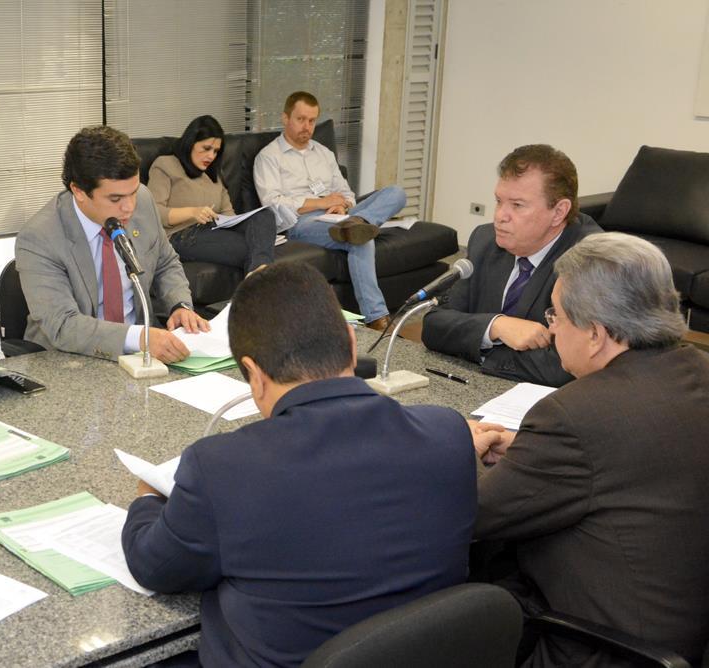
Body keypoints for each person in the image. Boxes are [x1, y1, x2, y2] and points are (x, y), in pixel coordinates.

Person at [121, 262, 476, 667]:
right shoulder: (449, 434)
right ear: (351, 343)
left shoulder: (221, 467)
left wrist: (147, 497)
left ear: (253, 374)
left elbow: (154, 567)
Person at [471, 233, 709, 667]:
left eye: (556, 315)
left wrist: (463, 452)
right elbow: (630, 458)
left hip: (602, 649)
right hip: (684, 631)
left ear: (596, 334)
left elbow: (474, 515)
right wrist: (531, 452)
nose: (551, 327)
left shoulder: (572, 414)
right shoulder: (697, 369)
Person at [16, 126, 208, 363]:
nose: (129, 207)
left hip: (144, 352)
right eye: (115, 199)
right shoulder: (39, 237)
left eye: (133, 192)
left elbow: (165, 262)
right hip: (70, 359)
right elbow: (63, 325)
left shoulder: (143, 200)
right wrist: (139, 338)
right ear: (79, 191)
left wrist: (179, 305)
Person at [422, 144, 602, 387]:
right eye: (499, 201)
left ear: (559, 212)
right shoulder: (485, 240)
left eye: (517, 205)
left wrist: (480, 347)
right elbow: (435, 325)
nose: (500, 216)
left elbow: (566, 366)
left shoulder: (590, 260)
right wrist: (495, 326)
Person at [253, 91, 407, 330]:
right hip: (301, 222)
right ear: (285, 118)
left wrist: (342, 206)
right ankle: (377, 317)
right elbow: (273, 204)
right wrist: (321, 203)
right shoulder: (269, 157)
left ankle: (359, 221)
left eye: (312, 120)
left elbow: (347, 193)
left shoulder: (323, 153)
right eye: (301, 119)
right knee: (360, 240)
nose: (307, 127)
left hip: (340, 216)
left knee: (396, 193)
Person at [148, 115, 276, 276]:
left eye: (215, 151)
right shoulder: (166, 164)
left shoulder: (214, 175)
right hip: (181, 235)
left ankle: (256, 274)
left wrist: (243, 227)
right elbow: (153, 212)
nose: (211, 156)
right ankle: (260, 277)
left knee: (265, 215)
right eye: (206, 148)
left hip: (215, 229)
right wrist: (192, 212)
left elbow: (228, 214)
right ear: (190, 143)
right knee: (253, 247)